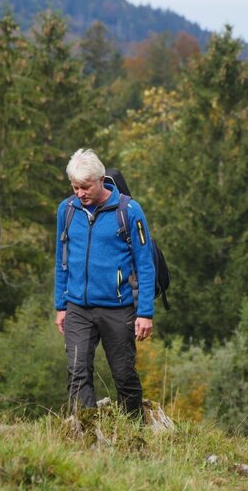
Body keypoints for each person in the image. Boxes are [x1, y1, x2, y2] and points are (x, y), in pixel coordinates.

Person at [54, 148, 155, 417]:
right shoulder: (67, 210)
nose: (79, 193)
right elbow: (61, 260)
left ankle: (133, 429)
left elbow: (145, 264)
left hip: (117, 307)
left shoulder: (129, 211)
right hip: (77, 306)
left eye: (85, 187)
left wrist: (145, 312)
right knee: (77, 371)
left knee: (123, 374)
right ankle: (84, 432)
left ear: (100, 180)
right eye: (75, 187)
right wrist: (60, 305)